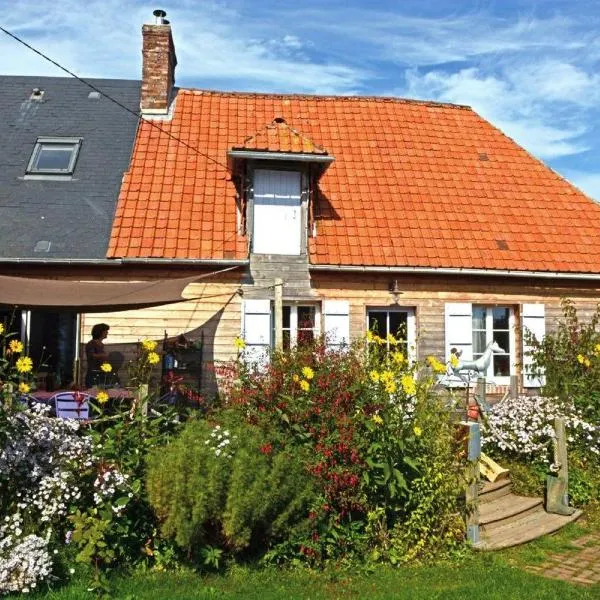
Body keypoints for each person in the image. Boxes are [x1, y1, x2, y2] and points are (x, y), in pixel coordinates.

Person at [85, 323, 110, 388]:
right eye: (106, 331)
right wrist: (103, 355)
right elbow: (92, 355)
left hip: (102, 374)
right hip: (93, 375)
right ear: (100, 332)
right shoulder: (91, 343)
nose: (107, 333)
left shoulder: (101, 344)